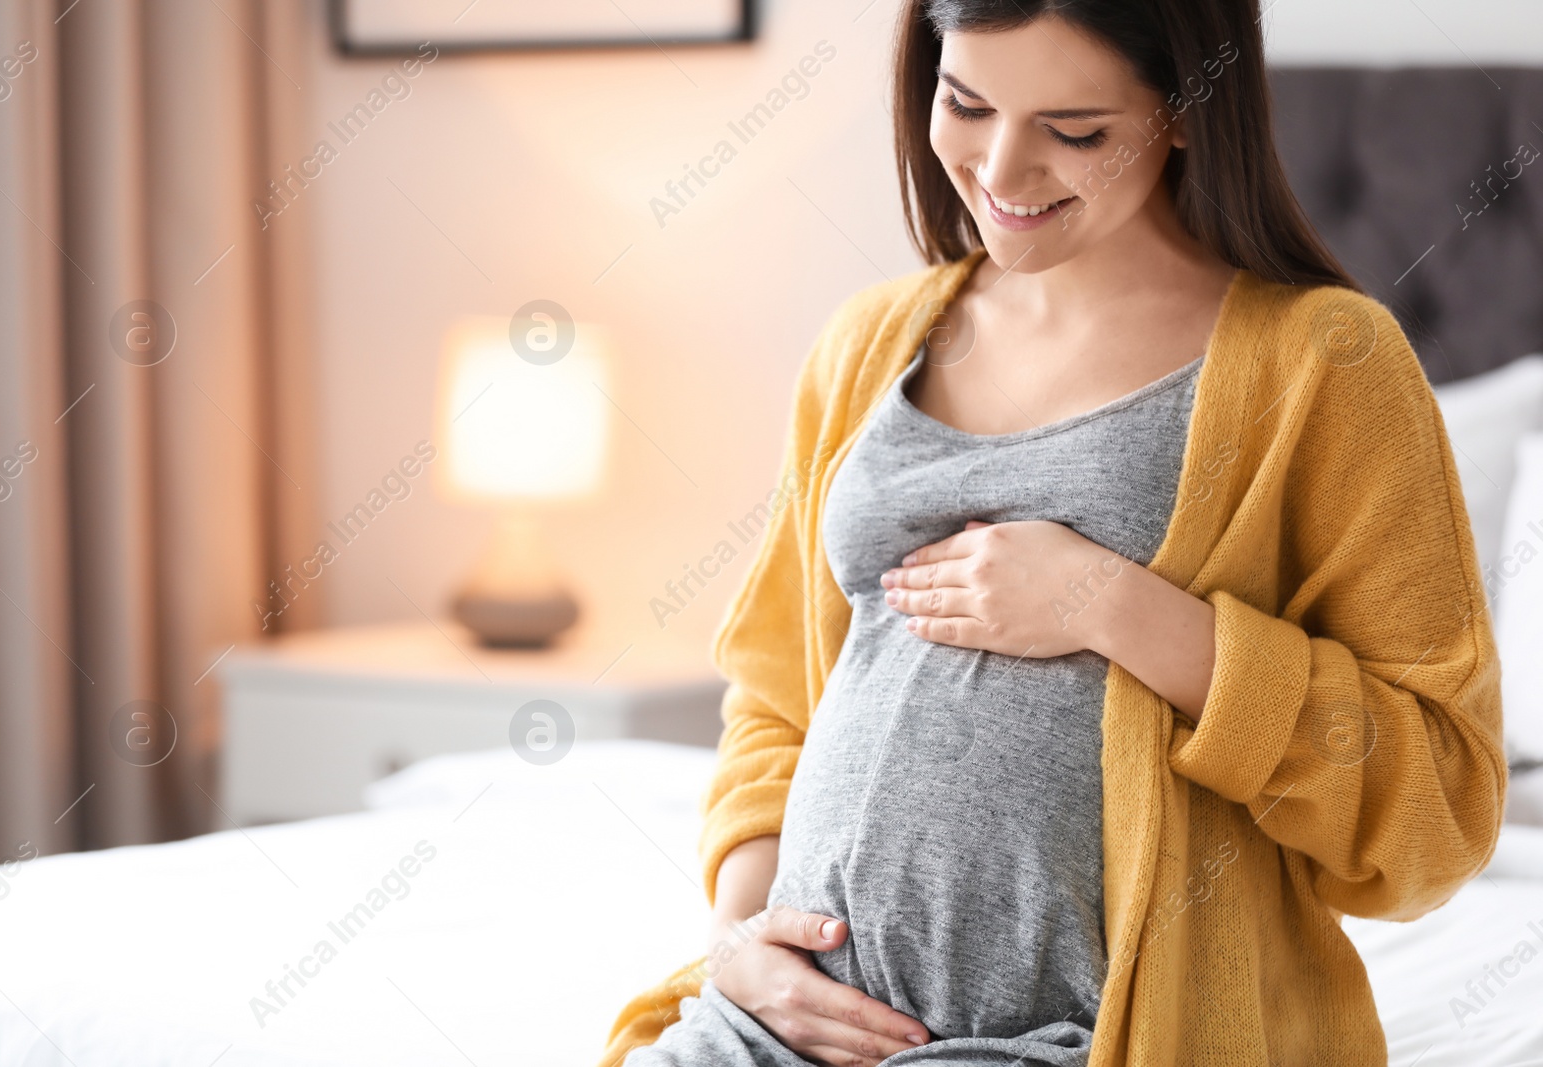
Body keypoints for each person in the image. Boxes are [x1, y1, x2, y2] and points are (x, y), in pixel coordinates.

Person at [603, 0, 1506, 1063]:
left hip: (1093, 1034)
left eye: (1073, 130)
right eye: (966, 103)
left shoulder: (1325, 362)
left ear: (1183, 111)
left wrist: (1116, 606)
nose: (1000, 168)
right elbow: (774, 705)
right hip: (783, 1018)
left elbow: (1437, 808)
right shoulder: (865, 344)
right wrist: (740, 943)